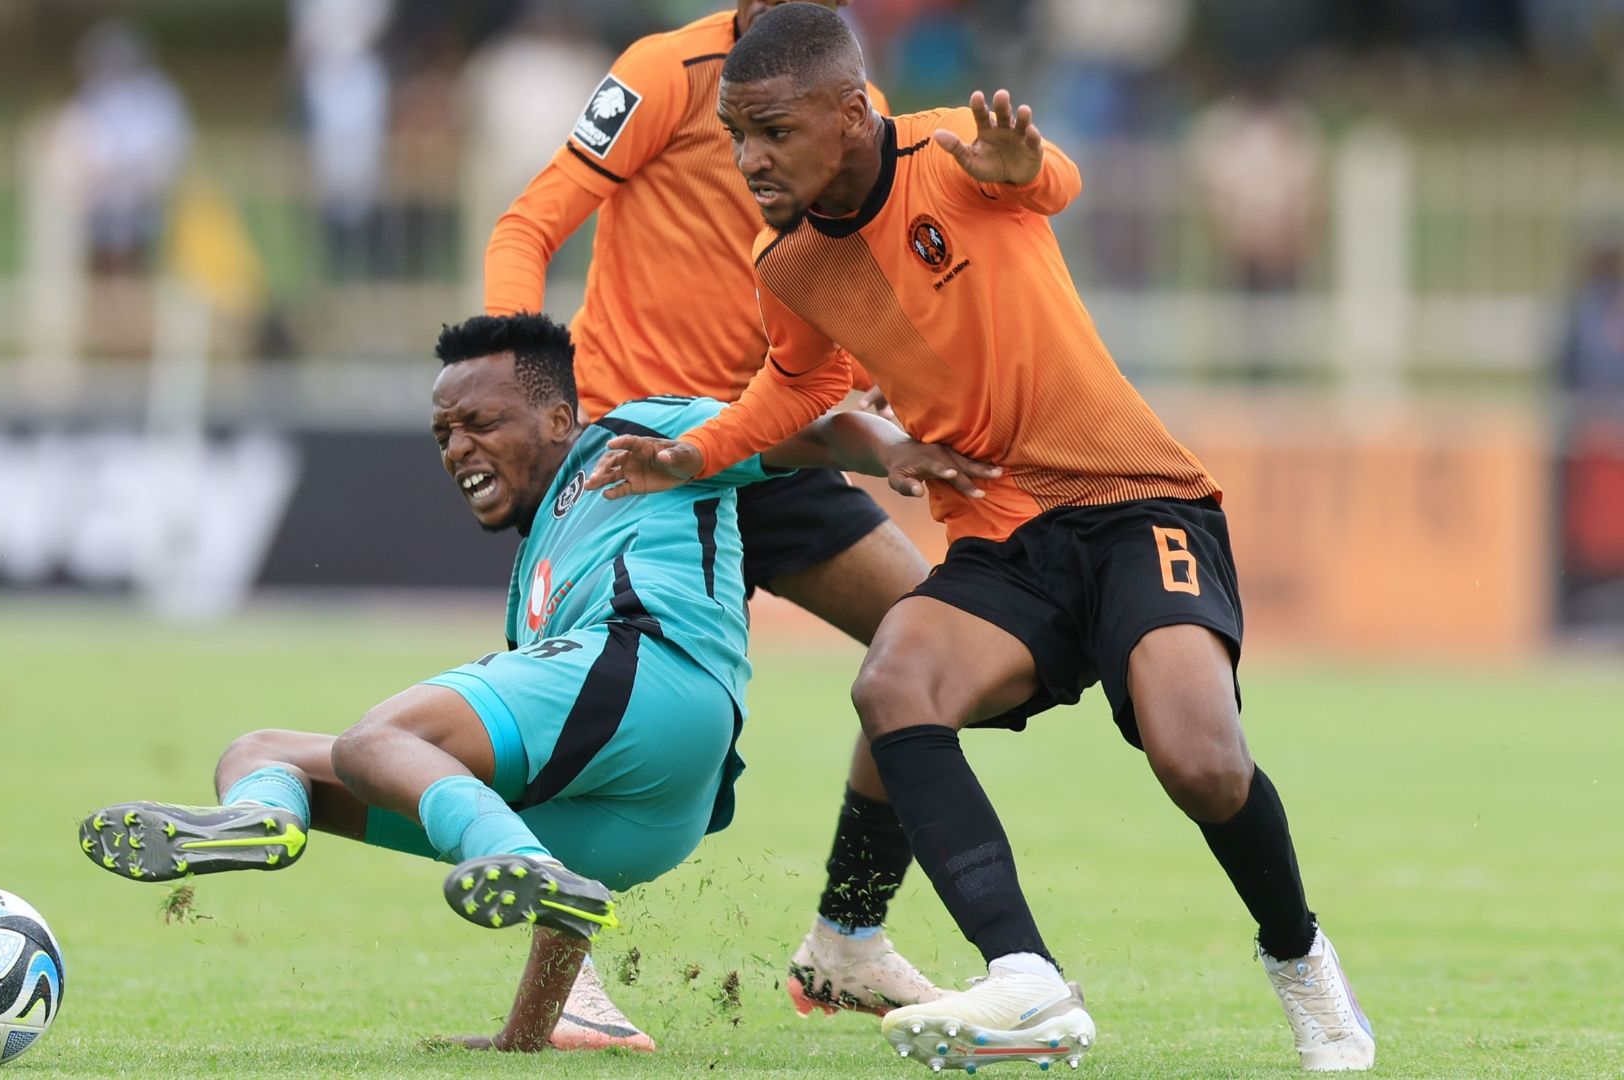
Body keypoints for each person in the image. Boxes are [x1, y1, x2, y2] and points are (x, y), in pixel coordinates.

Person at [583, 5, 1374, 1073]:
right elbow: (802, 384)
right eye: (736, 134)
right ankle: (1026, 978)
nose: (747, 158)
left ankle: (1303, 965)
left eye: (772, 131)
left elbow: (1047, 182)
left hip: (1134, 503)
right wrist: (698, 451)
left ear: (852, 114)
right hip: (1002, 540)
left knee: (1201, 763)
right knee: (895, 679)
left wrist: (1024, 160)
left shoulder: (949, 146)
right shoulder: (786, 261)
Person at [75, 312, 997, 1054]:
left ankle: (357, 833)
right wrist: (523, 1036)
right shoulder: (531, 585)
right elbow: (562, 884)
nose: (457, 447)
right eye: (442, 431)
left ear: (560, 419)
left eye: (480, 422)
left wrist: (889, 451)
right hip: (641, 823)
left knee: (377, 744)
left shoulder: (641, 432)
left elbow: (807, 433)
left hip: (655, 673)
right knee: (261, 750)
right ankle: (271, 816)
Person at [484, 0, 948, 1043]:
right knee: (594, 707)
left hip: (764, 439)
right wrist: (522, 384)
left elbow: (851, 285)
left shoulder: (851, 106)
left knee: (934, 639)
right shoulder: (663, 69)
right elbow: (529, 224)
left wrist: (880, 377)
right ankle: (570, 985)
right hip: (641, 455)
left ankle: (849, 938)